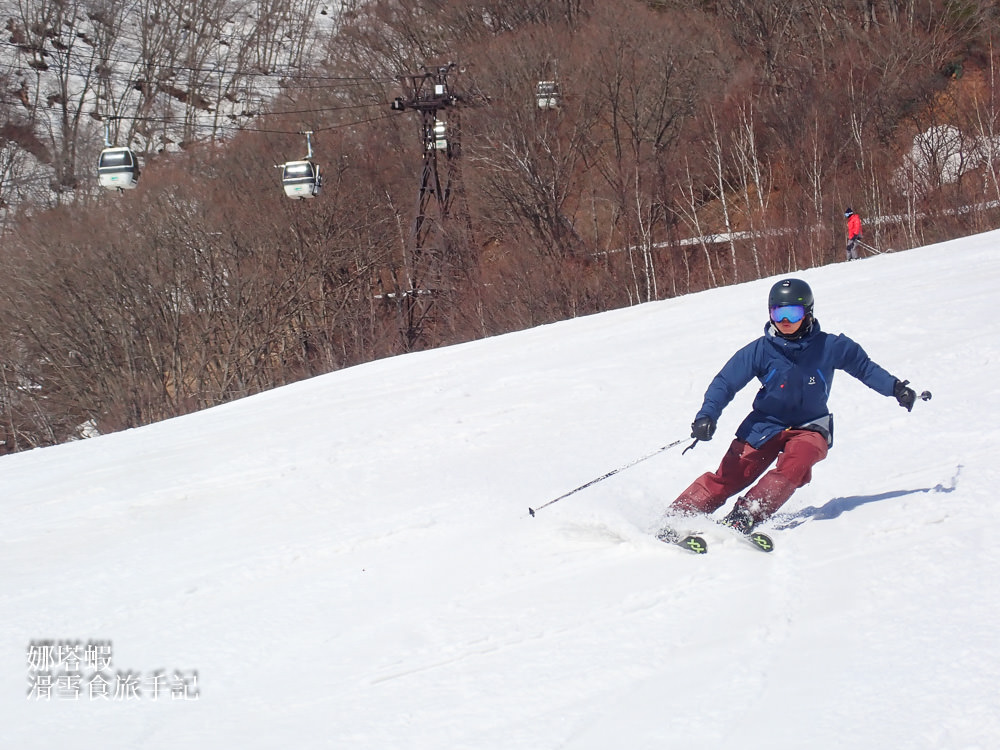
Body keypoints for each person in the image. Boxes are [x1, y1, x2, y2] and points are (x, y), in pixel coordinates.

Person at [665, 278, 916, 535]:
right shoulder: (760, 350)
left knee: (799, 461)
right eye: (778, 313)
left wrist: (896, 388)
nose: (785, 320)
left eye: (793, 313)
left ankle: (747, 514)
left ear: (808, 313)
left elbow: (864, 368)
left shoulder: (830, 347)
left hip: (810, 426)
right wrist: (707, 415)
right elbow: (726, 382)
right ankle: (677, 517)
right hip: (765, 424)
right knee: (731, 475)